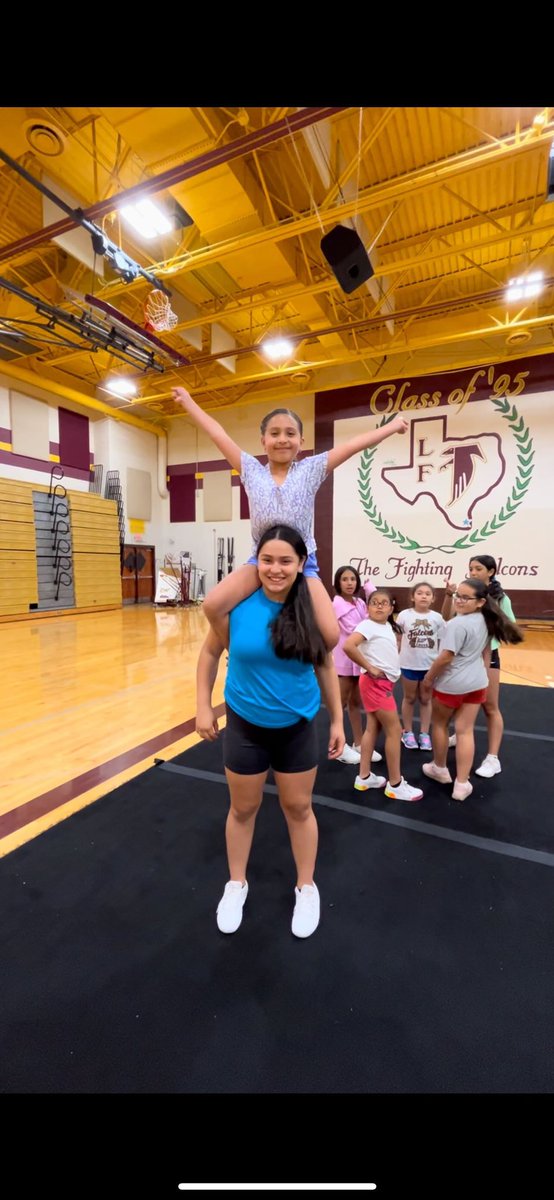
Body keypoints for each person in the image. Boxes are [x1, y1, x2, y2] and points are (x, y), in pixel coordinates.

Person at [195, 524, 345, 940]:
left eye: (285, 561)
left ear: (302, 565)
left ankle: (306, 886)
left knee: (299, 809)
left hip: (297, 726)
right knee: (242, 809)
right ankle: (236, 883)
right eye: (267, 559)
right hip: (245, 725)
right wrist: (202, 706)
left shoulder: (311, 610)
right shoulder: (238, 606)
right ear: (254, 561)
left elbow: (326, 665)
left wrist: (336, 720)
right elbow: (210, 653)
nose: (275, 569)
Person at [173, 386, 408, 648]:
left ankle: (310, 671)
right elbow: (218, 434)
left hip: (303, 563)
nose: (282, 439)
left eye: (290, 433)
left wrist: (393, 427)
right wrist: (189, 402)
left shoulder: (311, 469)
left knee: (330, 635)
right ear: (263, 441)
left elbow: (353, 446)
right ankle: (237, 652)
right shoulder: (251, 469)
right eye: (274, 434)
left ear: (301, 442)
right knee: (212, 605)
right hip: (260, 561)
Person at [421, 578, 523, 801]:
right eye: (458, 595)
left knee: (439, 724)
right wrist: (482, 676)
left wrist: (429, 679)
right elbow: (486, 652)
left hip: (452, 684)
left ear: (480, 602)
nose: (459, 600)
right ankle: (462, 784)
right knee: (465, 730)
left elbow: (446, 657)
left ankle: (439, 768)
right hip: (476, 683)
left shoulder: (458, 624)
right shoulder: (486, 620)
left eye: (465, 598)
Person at [343, 589, 424, 803]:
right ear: (367, 607)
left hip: (382, 683)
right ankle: (395, 784)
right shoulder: (367, 625)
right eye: (374, 603)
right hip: (374, 683)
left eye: (384, 603)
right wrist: (369, 667)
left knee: (373, 727)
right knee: (394, 729)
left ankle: (364, 776)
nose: (379, 606)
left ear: (391, 607)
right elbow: (348, 646)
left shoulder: (387, 625)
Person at [443, 555, 517, 777]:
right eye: (471, 568)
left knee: (490, 706)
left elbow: (510, 627)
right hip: (464, 655)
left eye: (478, 569)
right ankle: (460, 733)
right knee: (461, 702)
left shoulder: (501, 598)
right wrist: (449, 595)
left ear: (491, 571)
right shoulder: (465, 594)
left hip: (487, 655)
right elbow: (447, 618)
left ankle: (493, 758)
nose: (473, 572)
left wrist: (488, 626)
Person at [331, 564, 382, 766]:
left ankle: (359, 743)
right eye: (345, 579)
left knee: (355, 703)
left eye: (353, 579)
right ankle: (339, 746)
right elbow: (359, 628)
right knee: (340, 704)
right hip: (345, 660)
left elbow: (375, 613)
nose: (350, 583)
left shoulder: (360, 602)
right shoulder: (337, 605)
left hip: (359, 659)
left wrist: (371, 591)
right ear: (338, 582)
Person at [396, 582, 446, 752]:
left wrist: (439, 665)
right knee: (409, 698)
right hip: (408, 664)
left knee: (426, 699)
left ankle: (424, 733)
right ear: (412, 597)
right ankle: (407, 731)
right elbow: (397, 638)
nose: (423, 596)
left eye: (427, 593)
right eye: (419, 593)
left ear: (433, 598)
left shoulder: (437, 618)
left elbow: (441, 642)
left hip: (429, 667)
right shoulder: (404, 616)